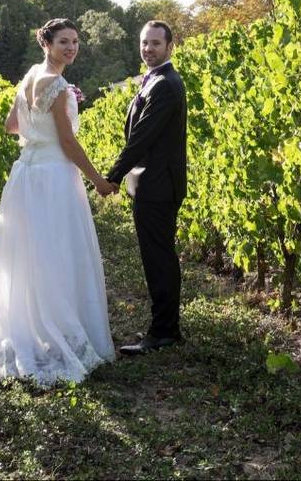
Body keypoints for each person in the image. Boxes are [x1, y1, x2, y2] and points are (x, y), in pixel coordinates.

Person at [0, 18, 117, 385]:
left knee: (28, 255)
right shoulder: (60, 86)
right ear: (47, 44)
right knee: (56, 253)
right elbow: (68, 143)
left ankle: (29, 330)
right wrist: (97, 179)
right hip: (53, 176)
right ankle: (56, 335)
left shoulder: (30, 77)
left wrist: (38, 133)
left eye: (76, 42)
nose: (72, 48)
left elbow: (11, 126)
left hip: (25, 174)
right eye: (64, 42)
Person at [102, 20, 188, 356]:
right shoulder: (154, 81)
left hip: (158, 185)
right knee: (158, 256)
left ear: (170, 46)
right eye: (144, 43)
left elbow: (142, 138)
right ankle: (165, 326)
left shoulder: (166, 85)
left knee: (159, 259)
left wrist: (112, 176)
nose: (148, 49)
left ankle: (164, 331)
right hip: (152, 184)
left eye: (155, 43)